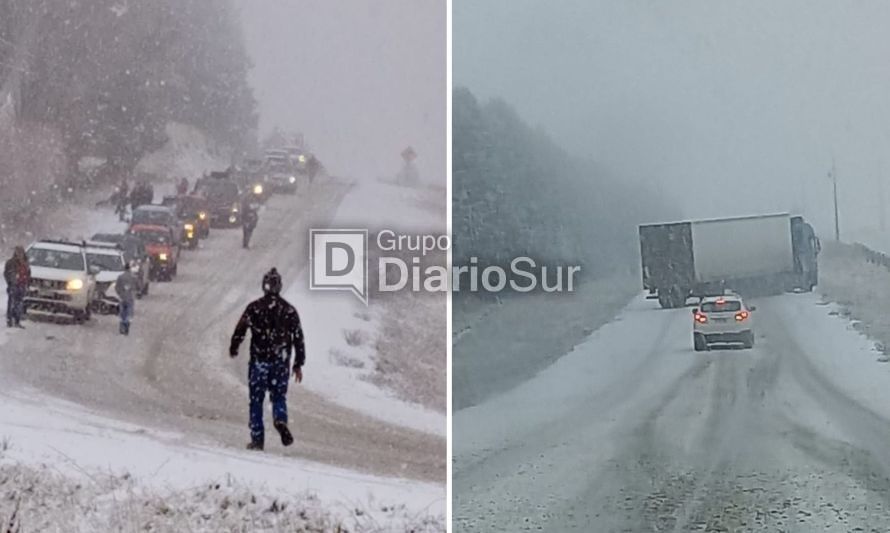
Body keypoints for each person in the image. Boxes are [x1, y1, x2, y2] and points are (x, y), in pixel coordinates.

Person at [229, 268, 305, 451]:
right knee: (279, 396)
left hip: (259, 361)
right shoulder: (289, 311)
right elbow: (298, 338)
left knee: (256, 400)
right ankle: (280, 418)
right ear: (280, 287)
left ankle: (257, 439)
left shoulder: (254, 308)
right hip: (280, 362)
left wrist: (234, 346)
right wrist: (298, 363)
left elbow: (241, 329)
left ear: (264, 286)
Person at [4, 246, 30, 328]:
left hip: (22, 285)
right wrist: (11, 282)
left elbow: (28, 273)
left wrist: (26, 283)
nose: (19, 254)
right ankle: (10, 320)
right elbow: (6, 274)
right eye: (17, 252)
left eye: (20, 252)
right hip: (13, 285)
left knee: (19, 304)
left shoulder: (26, 262)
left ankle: (17, 320)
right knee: (11, 303)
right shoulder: (10, 262)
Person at [114, 263, 138, 335]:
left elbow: (117, 287)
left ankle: (122, 326)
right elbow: (137, 286)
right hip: (130, 297)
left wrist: (120, 293)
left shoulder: (120, 277)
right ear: (130, 269)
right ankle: (127, 325)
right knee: (129, 312)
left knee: (122, 312)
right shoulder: (133, 277)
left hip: (122, 297)